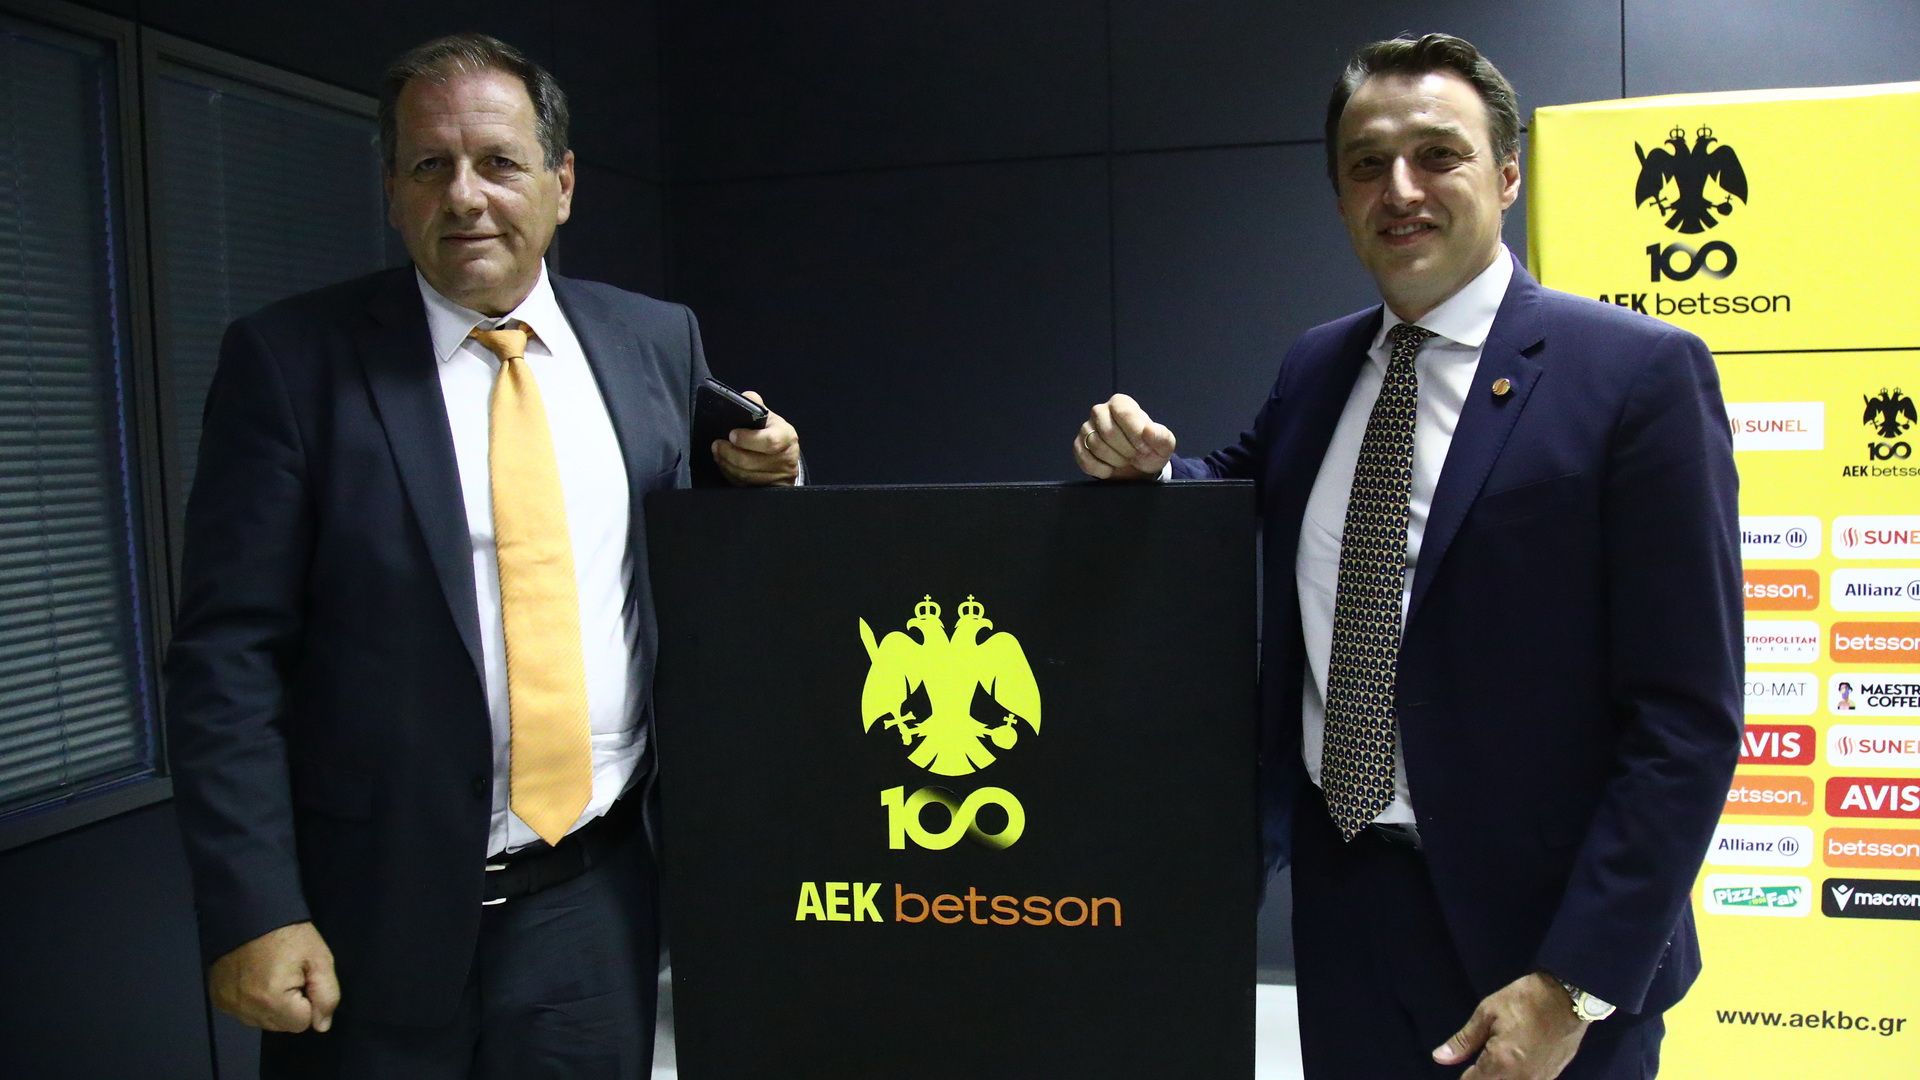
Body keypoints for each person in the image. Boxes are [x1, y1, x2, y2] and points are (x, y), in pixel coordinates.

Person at [1073, 33, 1741, 1080]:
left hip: (1538, 946)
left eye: (1438, 155)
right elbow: (1233, 491)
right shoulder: (1317, 366)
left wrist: (1574, 983)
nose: (1400, 189)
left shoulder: (1636, 375)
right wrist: (1145, 468)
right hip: (1345, 909)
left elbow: (1687, 721)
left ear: (1507, 174)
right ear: (1339, 196)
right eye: (1366, 164)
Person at [164, 32, 800, 1078]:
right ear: (392, 191)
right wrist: (253, 908)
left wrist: (768, 475)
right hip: (367, 914)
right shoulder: (289, 363)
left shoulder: (654, 342)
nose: (465, 196)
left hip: (593, 904)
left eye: (499, 163)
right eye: (430, 165)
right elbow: (225, 658)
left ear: (562, 185)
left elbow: (701, 558)